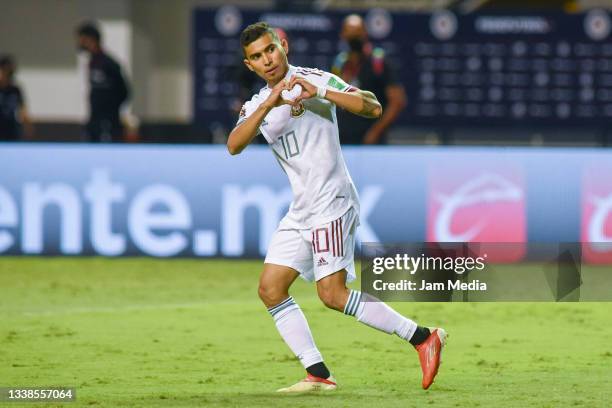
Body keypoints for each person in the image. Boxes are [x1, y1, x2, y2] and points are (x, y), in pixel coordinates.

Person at [227, 22, 446, 392]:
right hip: (302, 209)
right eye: (257, 57)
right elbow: (234, 145)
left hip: (332, 201)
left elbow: (373, 106)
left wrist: (324, 92)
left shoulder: (314, 78)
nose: (267, 60)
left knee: (332, 294)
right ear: (250, 66)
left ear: (283, 46)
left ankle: (423, 337)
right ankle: (318, 374)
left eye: (270, 50)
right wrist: (268, 103)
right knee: (270, 289)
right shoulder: (257, 104)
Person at [332, 14, 406, 144]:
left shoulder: (378, 62)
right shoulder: (340, 63)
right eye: (350, 34)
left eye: (357, 34)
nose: (354, 38)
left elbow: (397, 101)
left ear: (365, 33)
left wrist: (375, 132)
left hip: (371, 142)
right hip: (342, 141)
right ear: (343, 35)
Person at [76, 22, 131, 143]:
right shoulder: (92, 63)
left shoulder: (109, 64)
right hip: (94, 122)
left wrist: (110, 111)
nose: (79, 43)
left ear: (91, 39)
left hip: (108, 124)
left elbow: (124, 92)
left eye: (82, 39)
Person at [0, 55, 33, 141]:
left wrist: (27, 126)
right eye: (5, 71)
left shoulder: (15, 90)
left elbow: (22, 109)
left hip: (11, 129)